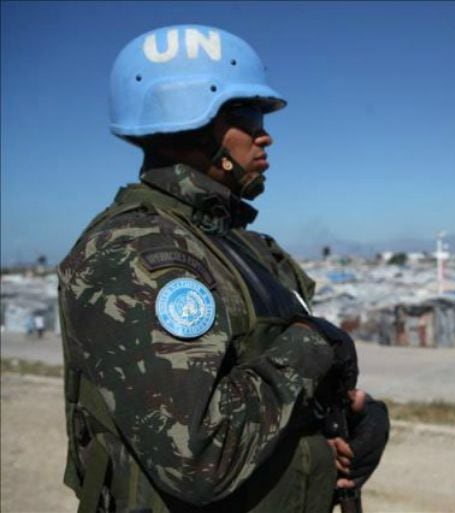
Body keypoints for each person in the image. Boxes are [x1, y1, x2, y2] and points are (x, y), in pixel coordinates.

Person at [58, 25, 388, 513]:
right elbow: (198, 456)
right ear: (187, 122)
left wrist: (348, 421)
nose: (265, 134)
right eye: (248, 114)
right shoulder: (134, 253)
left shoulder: (244, 248)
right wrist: (312, 346)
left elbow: (267, 395)